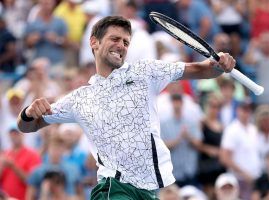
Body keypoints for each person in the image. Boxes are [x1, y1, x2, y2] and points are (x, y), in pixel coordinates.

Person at [17, 16, 236, 200]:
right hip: (114, 188)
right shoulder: (79, 99)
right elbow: (27, 126)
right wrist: (28, 112)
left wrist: (220, 65)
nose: (121, 45)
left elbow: (202, 69)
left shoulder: (145, 72)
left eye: (125, 42)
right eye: (115, 39)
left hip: (149, 189)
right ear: (94, 42)